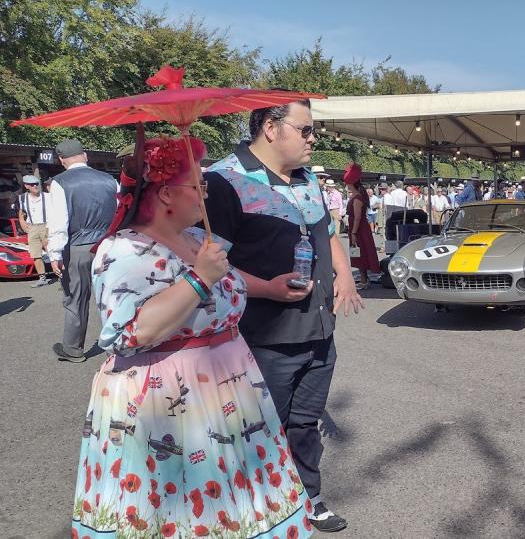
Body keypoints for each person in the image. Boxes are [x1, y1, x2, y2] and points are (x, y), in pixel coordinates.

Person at [72, 134, 313, 538]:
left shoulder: (197, 239)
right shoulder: (123, 251)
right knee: (182, 507)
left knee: (236, 501)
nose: (206, 190)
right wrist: (199, 278)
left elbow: (226, 279)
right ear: (166, 194)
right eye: (198, 184)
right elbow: (133, 331)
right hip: (168, 400)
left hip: (228, 388)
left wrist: (269, 287)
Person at [202, 98, 363, 532]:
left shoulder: (307, 178)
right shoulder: (223, 181)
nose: (314, 139)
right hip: (262, 334)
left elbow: (327, 232)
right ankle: (256, 504)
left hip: (317, 329)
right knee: (256, 426)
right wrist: (266, 288)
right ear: (271, 128)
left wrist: (344, 275)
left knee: (305, 423)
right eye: (306, 130)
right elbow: (206, 264)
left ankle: (307, 495)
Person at [47, 139, 118, 362]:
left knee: (76, 297)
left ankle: (73, 348)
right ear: (85, 155)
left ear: (61, 160)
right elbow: (119, 213)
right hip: (109, 244)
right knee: (113, 295)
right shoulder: (109, 180)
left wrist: (54, 254)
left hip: (78, 246)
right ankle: (118, 343)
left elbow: (59, 221)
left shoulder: (60, 183)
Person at [344, 164, 380, 289]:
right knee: (359, 253)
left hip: (359, 229)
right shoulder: (356, 196)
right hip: (358, 228)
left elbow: (358, 217)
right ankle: (364, 279)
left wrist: (353, 232)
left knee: (360, 253)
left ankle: (364, 280)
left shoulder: (357, 198)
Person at [17, 175, 53, 287]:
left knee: (52, 251)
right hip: (32, 227)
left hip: (47, 225)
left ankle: (62, 277)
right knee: (35, 254)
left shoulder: (48, 197)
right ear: (26, 186)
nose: (35, 186)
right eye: (32, 184)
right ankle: (42, 277)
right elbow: (21, 212)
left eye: (37, 183)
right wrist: (22, 221)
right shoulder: (22, 198)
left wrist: (51, 228)